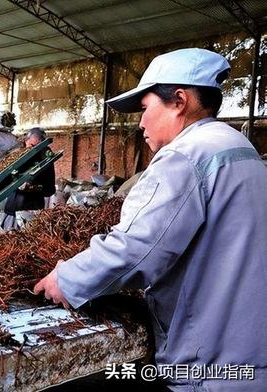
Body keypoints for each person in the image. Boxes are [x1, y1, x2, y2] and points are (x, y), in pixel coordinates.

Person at [34, 48, 267, 390]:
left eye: (145, 109)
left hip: (210, 364)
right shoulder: (239, 147)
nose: (140, 122)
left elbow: (138, 248)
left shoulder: (185, 155)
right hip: (249, 350)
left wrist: (67, 279)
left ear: (179, 101)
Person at [1, 128, 55, 231]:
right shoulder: (17, 155)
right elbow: (5, 182)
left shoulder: (46, 158)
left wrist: (36, 188)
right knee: (11, 241)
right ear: (26, 142)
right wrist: (18, 185)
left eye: (38, 147)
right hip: (15, 208)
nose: (33, 150)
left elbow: (50, 189)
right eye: (31, 146)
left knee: (32, 241)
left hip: (34, 209)